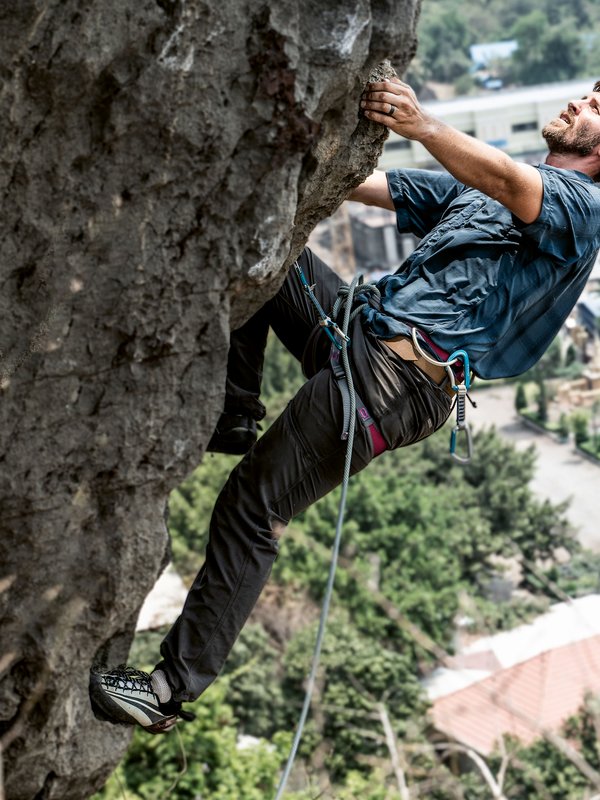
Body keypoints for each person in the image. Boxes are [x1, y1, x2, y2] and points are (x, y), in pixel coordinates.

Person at [90, 78, 600, 733]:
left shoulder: (582, 207)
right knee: (267, 246)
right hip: (361, 331)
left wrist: (421, 124)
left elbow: (508, 180)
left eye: (594, 107)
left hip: (396, 382)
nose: (576, 104)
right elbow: (368, 186)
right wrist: (278, 154)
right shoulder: (485, 193)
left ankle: (166, 691)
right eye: (584, 95)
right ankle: (236, 413)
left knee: (253, 508)